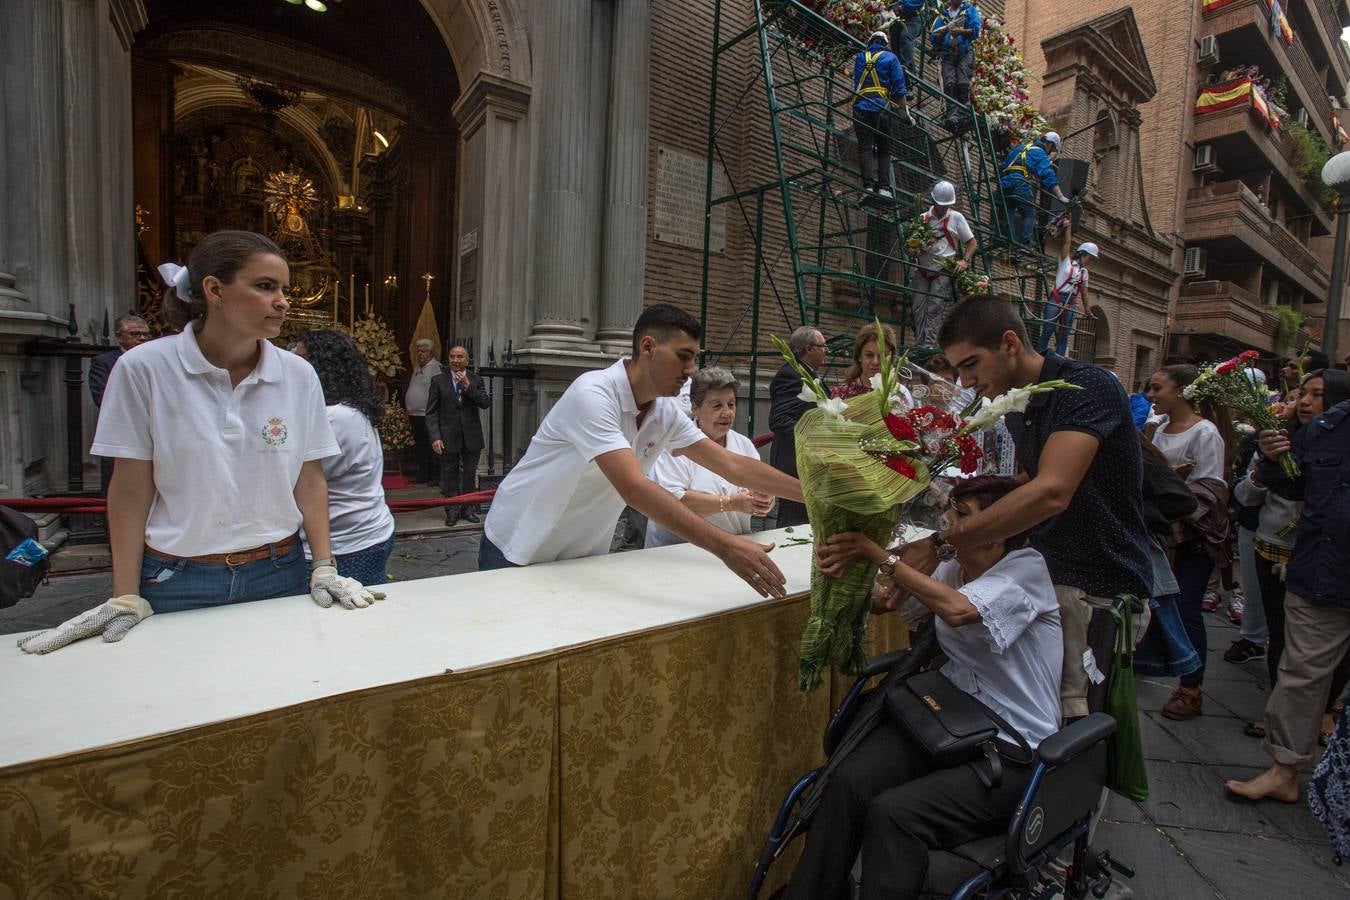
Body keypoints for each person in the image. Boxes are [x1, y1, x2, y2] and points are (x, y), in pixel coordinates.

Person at [18, 231, 381, 655]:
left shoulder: (298, 375)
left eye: (285, 289)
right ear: (214, 290)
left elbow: (309, 477)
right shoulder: (144, 369)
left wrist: (323, 565)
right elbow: (131, 489)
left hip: (279, 567)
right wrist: (125, 593)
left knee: (278, 691)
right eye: (265, 286)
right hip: (176, 575)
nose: (282, 301)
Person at [783, 476, 1062, 900]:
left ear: (998, 531)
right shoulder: (952, 567)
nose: (947, 522)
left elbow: (958, 609)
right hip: (948, 721)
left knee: (895, 814)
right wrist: (863, 575)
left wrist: (880, 555)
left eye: (962, 515)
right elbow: (891, 604)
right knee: (847, 780)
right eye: (951, 511)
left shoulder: (1026, 570)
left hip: (1013, 746)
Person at [479, 304, 804, 598]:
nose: (692, 369)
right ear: (648, 347)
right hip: (519, 544)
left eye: (694, 358)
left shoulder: (664, 413)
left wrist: (813, 494)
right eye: (683, 356)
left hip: (582, 553)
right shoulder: (593, 395)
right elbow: (634, 488)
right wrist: (725, 546)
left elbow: (732, 464)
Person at [932, 296, 1151, 720]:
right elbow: (1036, 476)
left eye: (971, 364)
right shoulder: (1018, 400)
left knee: (1073, 721)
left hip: (1095, 582)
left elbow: (1053, 490)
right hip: (1050, 574)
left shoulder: (1085, 386)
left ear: (1010, 343)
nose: (965, 381)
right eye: (958, 369)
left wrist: (944, 541)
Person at [1225, 369, 1350, 803]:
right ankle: (1283, 769)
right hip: (1322, 575)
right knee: (1300, 674)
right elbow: (1290, 486)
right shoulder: (1327, 430)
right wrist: (1272, 457)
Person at [293, 330, 397, 585]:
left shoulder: (334, 418)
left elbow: (297, 480)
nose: (293, 366)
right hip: (365, 532)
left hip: (344, 544)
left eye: (301, 359)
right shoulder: (350, 409)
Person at [644, 367, 772, 548]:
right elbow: (672, 503)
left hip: (734, 546)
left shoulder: (744, 445)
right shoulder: (674, 446)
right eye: (717, 406)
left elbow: (761, 488)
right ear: (695, 408)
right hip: (679, 551)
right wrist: (731, 504)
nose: (727, 413)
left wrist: (764, 501)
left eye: (731, 404)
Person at [426, 344, 490, 526]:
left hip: (472, 437)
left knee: (469, 474)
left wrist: (467, 386)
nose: (455, 360)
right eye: (452, 356)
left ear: (467, 360)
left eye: (459, 357)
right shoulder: (438, 381)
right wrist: (435, 437)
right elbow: (431, 412)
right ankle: (452, 510)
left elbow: (485, 403)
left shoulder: (476, 380)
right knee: (450, 475)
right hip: (447, 436)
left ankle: (467, 508)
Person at [908, 180, 977, 347]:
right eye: (941, 205)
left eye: (947, 205)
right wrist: (914, 249)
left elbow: (972, 242)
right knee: (918, 308)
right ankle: (919, 346)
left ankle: (928, 347)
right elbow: (911, 248)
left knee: (934, 309)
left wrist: (965, 260)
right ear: (934, 202)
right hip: (922, 270)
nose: (944, 208)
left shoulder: (956, 218)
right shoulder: (922, 219)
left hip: (942, 271)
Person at [770, 325, 827, 527]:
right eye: (823, 346)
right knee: (793, 525)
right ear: (809, 348)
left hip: (810, 462)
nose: (826, 351)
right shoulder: (791, 375)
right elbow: (780, 420)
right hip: (795, 463)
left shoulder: (807, 373)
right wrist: (816, 438)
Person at [89, 314, 152, 494]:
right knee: (118, 485)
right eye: (135, 334)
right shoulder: (104, 362)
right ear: (119, 336)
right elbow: (102, 399)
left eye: (146, 335)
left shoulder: (155, 359)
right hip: (121, 431)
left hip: (153, 430)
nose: (142, 338)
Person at [853, 31, 913, 199]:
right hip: (881, 108)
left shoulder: (860, 57)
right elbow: (899, 89)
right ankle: (885, 188)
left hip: (860, 106)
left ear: (870, 42)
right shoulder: (891, 58)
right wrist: (904, 113)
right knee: (884, 149)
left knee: (865, 148)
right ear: (885, 44)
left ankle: (868, 187)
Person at [1035, 219, 1096, 356]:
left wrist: (1087, 310)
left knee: (1064, 335)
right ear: (1082, 254)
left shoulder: (1084, 273)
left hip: (1071, 303)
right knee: (1048, 330)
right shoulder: (1065, 263)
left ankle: (1059, 359)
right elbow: (1066, 243)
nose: (1090, 261)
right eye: (1089, 257)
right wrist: (1068, 227)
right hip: (1056, 299)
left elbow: (1084, 293)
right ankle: (1038, 356)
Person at [1000, 131, 1070, 246]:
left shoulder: (1021, 148)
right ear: (1050, 145)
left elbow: (1003, 166)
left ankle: (1010, 246)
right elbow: (1048, 175)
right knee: (1029, 214)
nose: (1050, 153)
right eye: (1052, 150)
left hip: (1005, 184)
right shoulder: (1040, 153)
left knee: (1009, 214)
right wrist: (1061, 196)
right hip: (1019, 184)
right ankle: (1025, 244)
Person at [928, 0, 982, 132]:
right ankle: (952, 116)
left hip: (964, 52)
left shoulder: (969, 10)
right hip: (948, 54)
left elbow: (975, 31)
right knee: (949, 84)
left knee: (963, 84)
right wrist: (945, 30)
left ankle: (964, 116)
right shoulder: (942, 15)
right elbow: (934, 38)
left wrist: (960, 31)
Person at [404, 338, 443, 485]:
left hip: (428, 414)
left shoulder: (436, 368)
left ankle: (435, 476)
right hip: (415, 414)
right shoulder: (417, 368)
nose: (420, 354)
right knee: (421, 446)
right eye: (418, 351)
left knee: (432, 445)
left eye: (423, 351)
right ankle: (422, 474)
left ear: (431, 353)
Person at [831, 322, 899, 401]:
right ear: (859, 356)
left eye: (882, 356)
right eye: (869, 355)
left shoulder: (897, 393)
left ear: (890, 358)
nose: (875, 362)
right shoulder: (842, 393)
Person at [887, 0, 928, 73]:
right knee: (894, 32)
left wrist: (902, 6)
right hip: (901, 15)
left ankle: (908, 69)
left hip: (915, 16)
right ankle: (897, 64)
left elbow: (918, 2)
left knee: (906, 36)